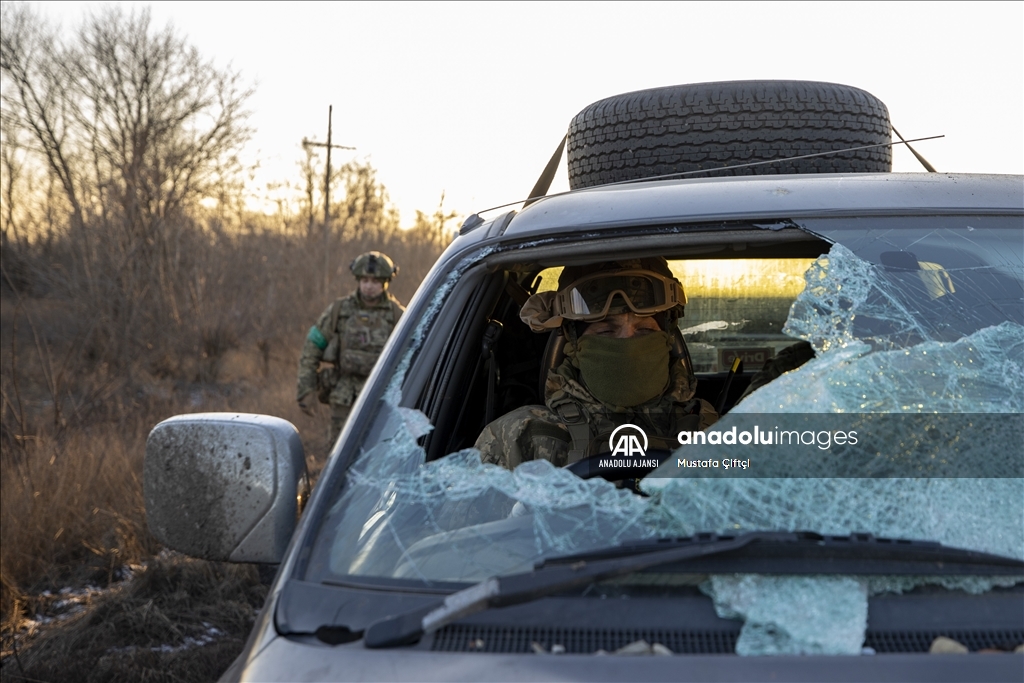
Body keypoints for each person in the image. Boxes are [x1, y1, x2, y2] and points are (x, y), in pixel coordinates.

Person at [475, 258, 718, 470]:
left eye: (644, 329)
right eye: (605, 331)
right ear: (573, 340)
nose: (627, 344)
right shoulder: (517, 438)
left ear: (668, 336)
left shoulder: (707, 426)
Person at [297, 251, 405, 442]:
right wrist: (307, 389)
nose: (369, 286)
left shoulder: (398, 316)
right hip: (343, 395)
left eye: (375, 281)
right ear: (358, 280)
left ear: (385, 282)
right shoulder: (339, 311)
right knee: (339, 450)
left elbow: (414, 356)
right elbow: (312, 348)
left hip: (382, 396)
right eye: (365, 280)